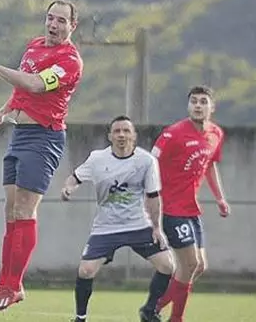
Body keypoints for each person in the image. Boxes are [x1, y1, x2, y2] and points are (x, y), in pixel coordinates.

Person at [0, 0, 84, 313]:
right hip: (19, 135)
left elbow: (36, 85)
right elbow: (22, 91)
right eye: (50, 18)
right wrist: (3, 111)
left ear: (72, 25)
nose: (53, 25)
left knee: (24, 210)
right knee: (11, 210)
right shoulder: (34, 46)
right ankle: (6, 282)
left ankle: (13, 286)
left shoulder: (70, 60)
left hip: (44, 137)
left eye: (61, 20)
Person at [60, 115, 173, 322]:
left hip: (138, 224)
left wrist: (157, 228)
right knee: (85, 271)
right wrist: (68, 188)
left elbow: (153, 196)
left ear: (134, 136)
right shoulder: (97, 159)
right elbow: (74, 178)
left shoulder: (146, 161)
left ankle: (149, 311)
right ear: (110, 136)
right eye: (117, 131)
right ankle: (80, 318)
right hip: (106, 227)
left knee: (167, 266)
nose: (122, 135)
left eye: (126, 131)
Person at [152, 85, 230, 322]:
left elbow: (210, 165)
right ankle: (176, 318)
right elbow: (149, 164)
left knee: (199, 266)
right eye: (194, 101)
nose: (198, 105)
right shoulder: (172, 134)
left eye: (203, 101)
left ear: (212, 107)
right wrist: (148, 198)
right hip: (171, 208)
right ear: (188, 106)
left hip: (191, 209)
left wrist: (220, 198)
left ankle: (154, 306)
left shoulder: (215, 134)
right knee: (190, 264)